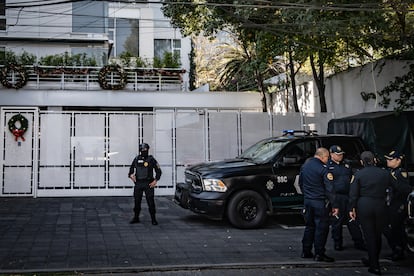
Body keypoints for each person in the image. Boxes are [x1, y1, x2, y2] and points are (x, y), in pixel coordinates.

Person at [349, 151, 395, 275]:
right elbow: (394, 188)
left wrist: (351, 209)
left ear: (361, 162)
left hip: (364, 205)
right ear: (374, 160)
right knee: (377, 234)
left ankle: (374, 264)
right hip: (380, 205)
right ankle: (373, 260)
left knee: (369, 235)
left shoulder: (358, 174)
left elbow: (353, 194)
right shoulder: (385, 173)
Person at [299, 147, 338, 262]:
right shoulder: (323, 169)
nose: (328, 160)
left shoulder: (305, 166)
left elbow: (301, 183)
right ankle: (319, 253)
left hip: (308, 201)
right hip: (320, 203)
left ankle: (306, 251)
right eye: (327, 158)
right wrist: (334, 205)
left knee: (309, 226)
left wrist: (307, 195)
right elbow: (330, 189)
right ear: (323, 156)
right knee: (321, 228)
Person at [326, 145, 366, 251]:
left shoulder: (347, 165)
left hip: (348, 196)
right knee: (337, 221)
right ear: (331, 154)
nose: (340, 156)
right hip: (336, 197)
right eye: (338, 154)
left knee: (352, 220)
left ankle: (359, 242)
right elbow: (329, 186)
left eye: (341, 154)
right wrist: (332, 201)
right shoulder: (328, 166)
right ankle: (337, 242)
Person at [382, 150, 412, 261]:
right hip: (390, 204)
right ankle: (399, 249)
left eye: (391, 159)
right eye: (387, 159)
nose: (388, 161)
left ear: (399, 160)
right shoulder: (390, 171)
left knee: (395, 229)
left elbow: (406, 190)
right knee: (391, 229)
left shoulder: (400, 173)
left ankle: (398, 250)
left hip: (398, 206)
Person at [128, 143, 162, 225]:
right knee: (137, 202)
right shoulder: (136, 159)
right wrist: (131, 176)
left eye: (145, 149)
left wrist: (155, 180)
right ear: (140, 150)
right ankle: (136, 218)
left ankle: (153, 219)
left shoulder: (151, 159)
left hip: (148, 183)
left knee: (150, 202)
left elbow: (158, 171)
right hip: (138, 183)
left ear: (148, 150)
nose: (144, 151)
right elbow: (131, 170)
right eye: (142, 149)